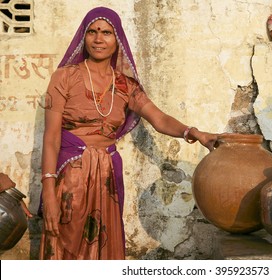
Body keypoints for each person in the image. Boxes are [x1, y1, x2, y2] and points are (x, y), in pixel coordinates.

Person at [39, 6, 218, 260]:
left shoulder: (125, 86)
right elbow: (51, 137)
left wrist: (193, 132)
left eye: (106, 33)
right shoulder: (64, 77)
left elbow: (160, 119)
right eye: (92, 32)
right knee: (65, 244)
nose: (98, 39)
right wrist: (48, 191)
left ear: (117, 39)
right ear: (84, 36)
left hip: (106, 178)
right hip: (70, 179)